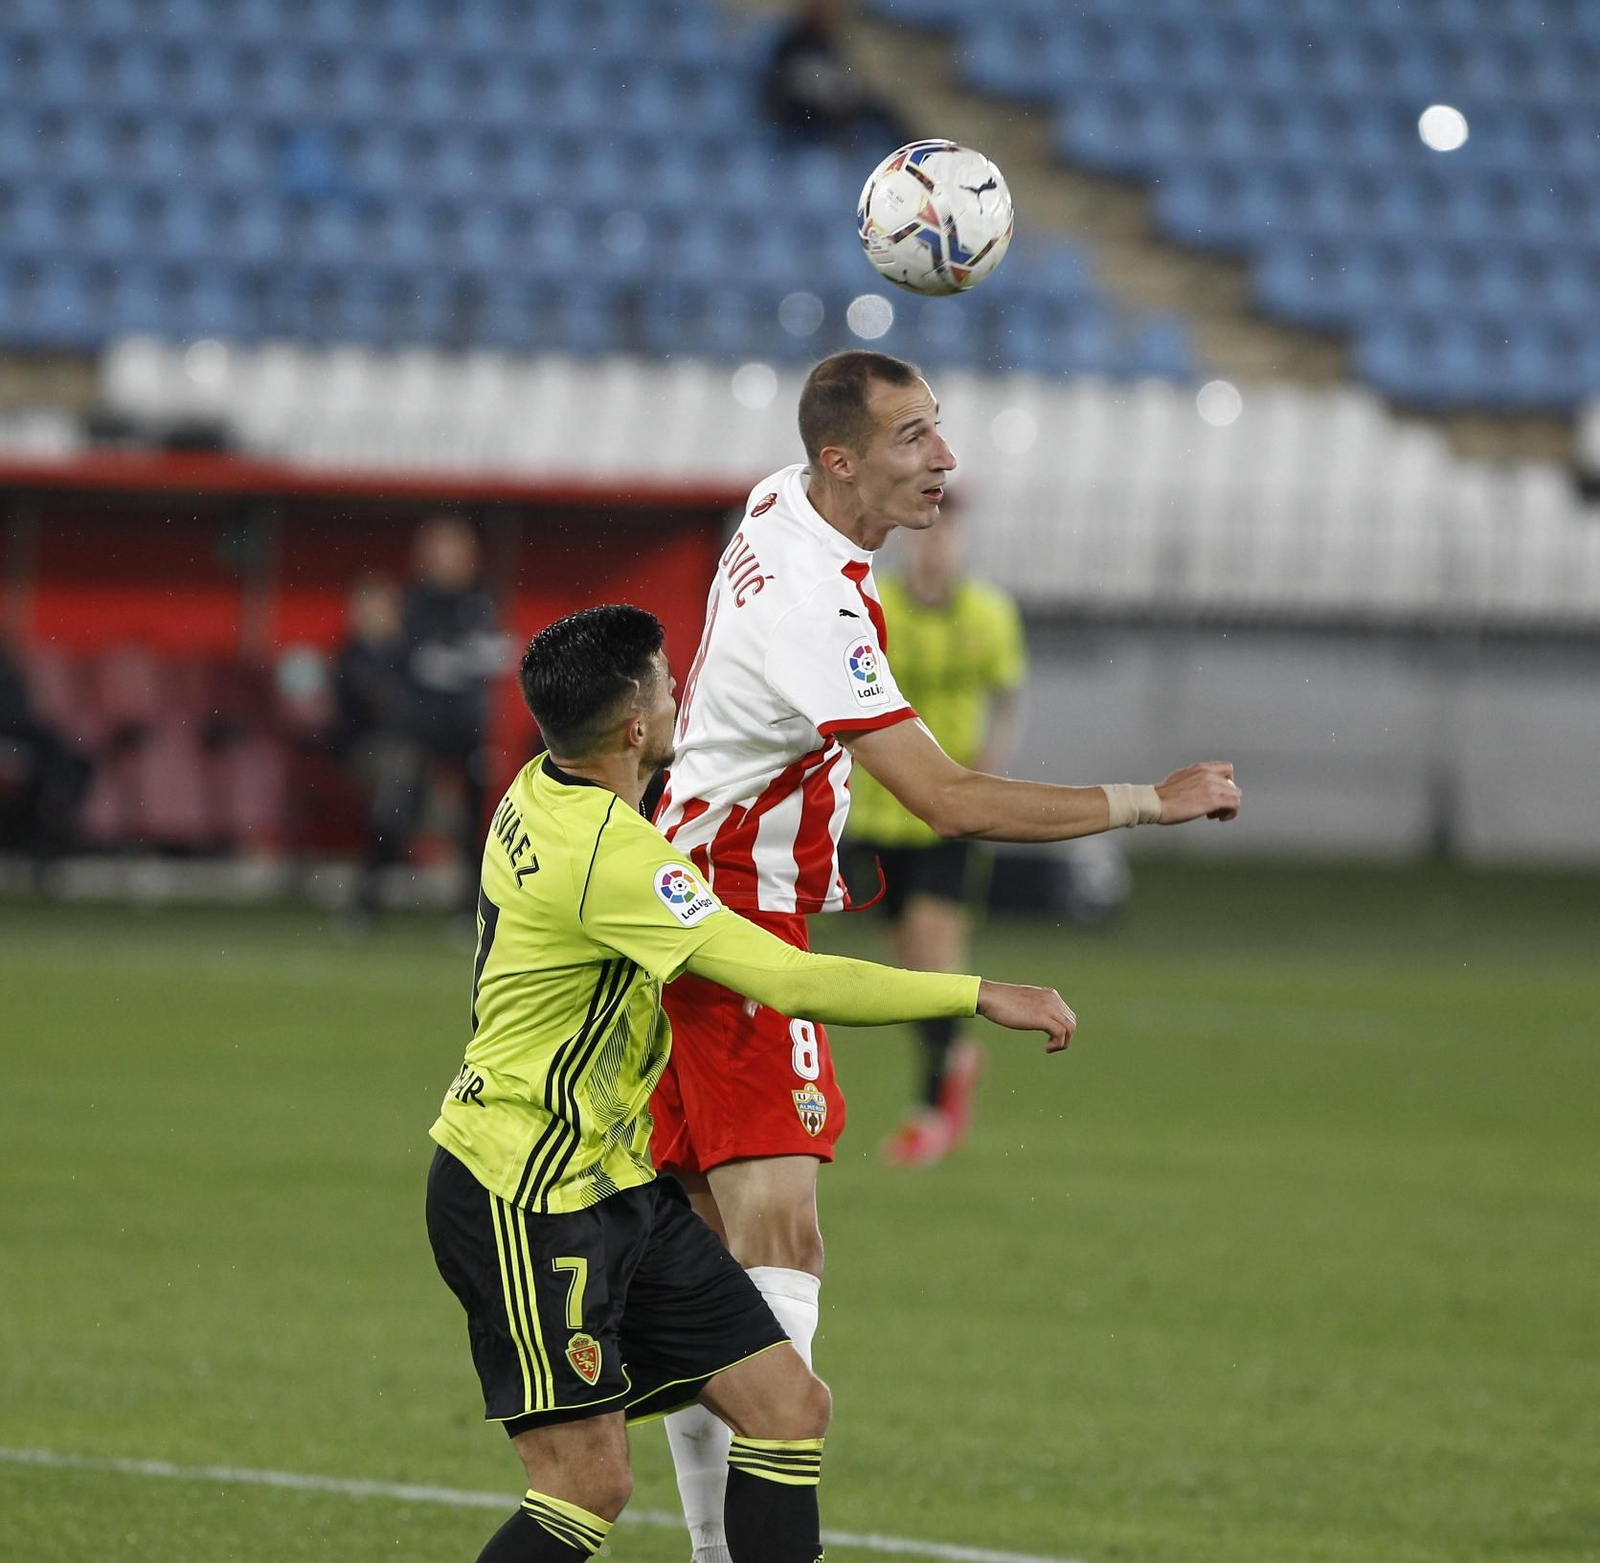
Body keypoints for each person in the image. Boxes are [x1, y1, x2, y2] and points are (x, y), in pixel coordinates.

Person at [652, 349, 1242, 1563]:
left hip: (670, 899)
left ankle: (708, 1535)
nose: (945, 457)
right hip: (731, 921)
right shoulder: (808, 605)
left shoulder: (776, 501)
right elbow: (950, 800)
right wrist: (1147, 800)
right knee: (783, 1247)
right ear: (841, 460)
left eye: (939, 427)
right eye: (915, 436)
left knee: (713, 1252)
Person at [425, 604, 1074, 1563]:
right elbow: (789, 979)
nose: (680, 683)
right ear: (636, 725)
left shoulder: (536, 789)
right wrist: (977, 992)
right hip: (524, 1197)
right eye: (664, 676)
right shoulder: (614, 858)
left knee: (785, 1405)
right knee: (586, 1486)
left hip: (611, 1181)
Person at [844, 504, 1027, 1167]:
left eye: (946, 532)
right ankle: (956, 1054)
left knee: (934, 953)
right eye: (924, 533)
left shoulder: (989, 614)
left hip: (948, 813)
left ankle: (929, 1109)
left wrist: (988, 767)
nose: (935, 545)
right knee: (909, 964)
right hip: (875, 812)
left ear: (962, 539)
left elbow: (1007, 697)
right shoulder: (874, 605)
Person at [395, 515, 508, 918]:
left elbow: (500, 652)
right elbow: (423, 663)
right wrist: (467, 659)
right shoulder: (418, 601)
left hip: (468, 727)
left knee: (480, 820)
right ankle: (365, 901)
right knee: (398, 809)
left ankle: (471, 906)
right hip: (421, 729)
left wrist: (468, 658)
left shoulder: (481, 597)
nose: (458, 559)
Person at [762, 0, 908, 150]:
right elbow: (811, 88)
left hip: (835, 124)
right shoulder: (793, 46)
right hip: (800, 129)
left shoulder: (831, 44)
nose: (829, 17)